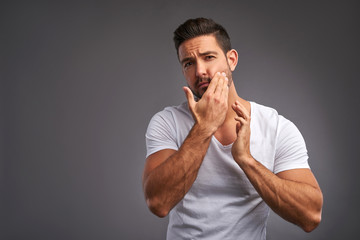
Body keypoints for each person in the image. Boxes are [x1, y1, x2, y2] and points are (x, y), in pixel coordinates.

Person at [142, 17, 323, 239]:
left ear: (232, 59)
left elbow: (310, 216)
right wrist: (204, 128)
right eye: (188, 63)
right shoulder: (167, 122)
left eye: (209, 57)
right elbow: (158, 203)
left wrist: (247, 160)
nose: (200, 71)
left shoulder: (275, 127)